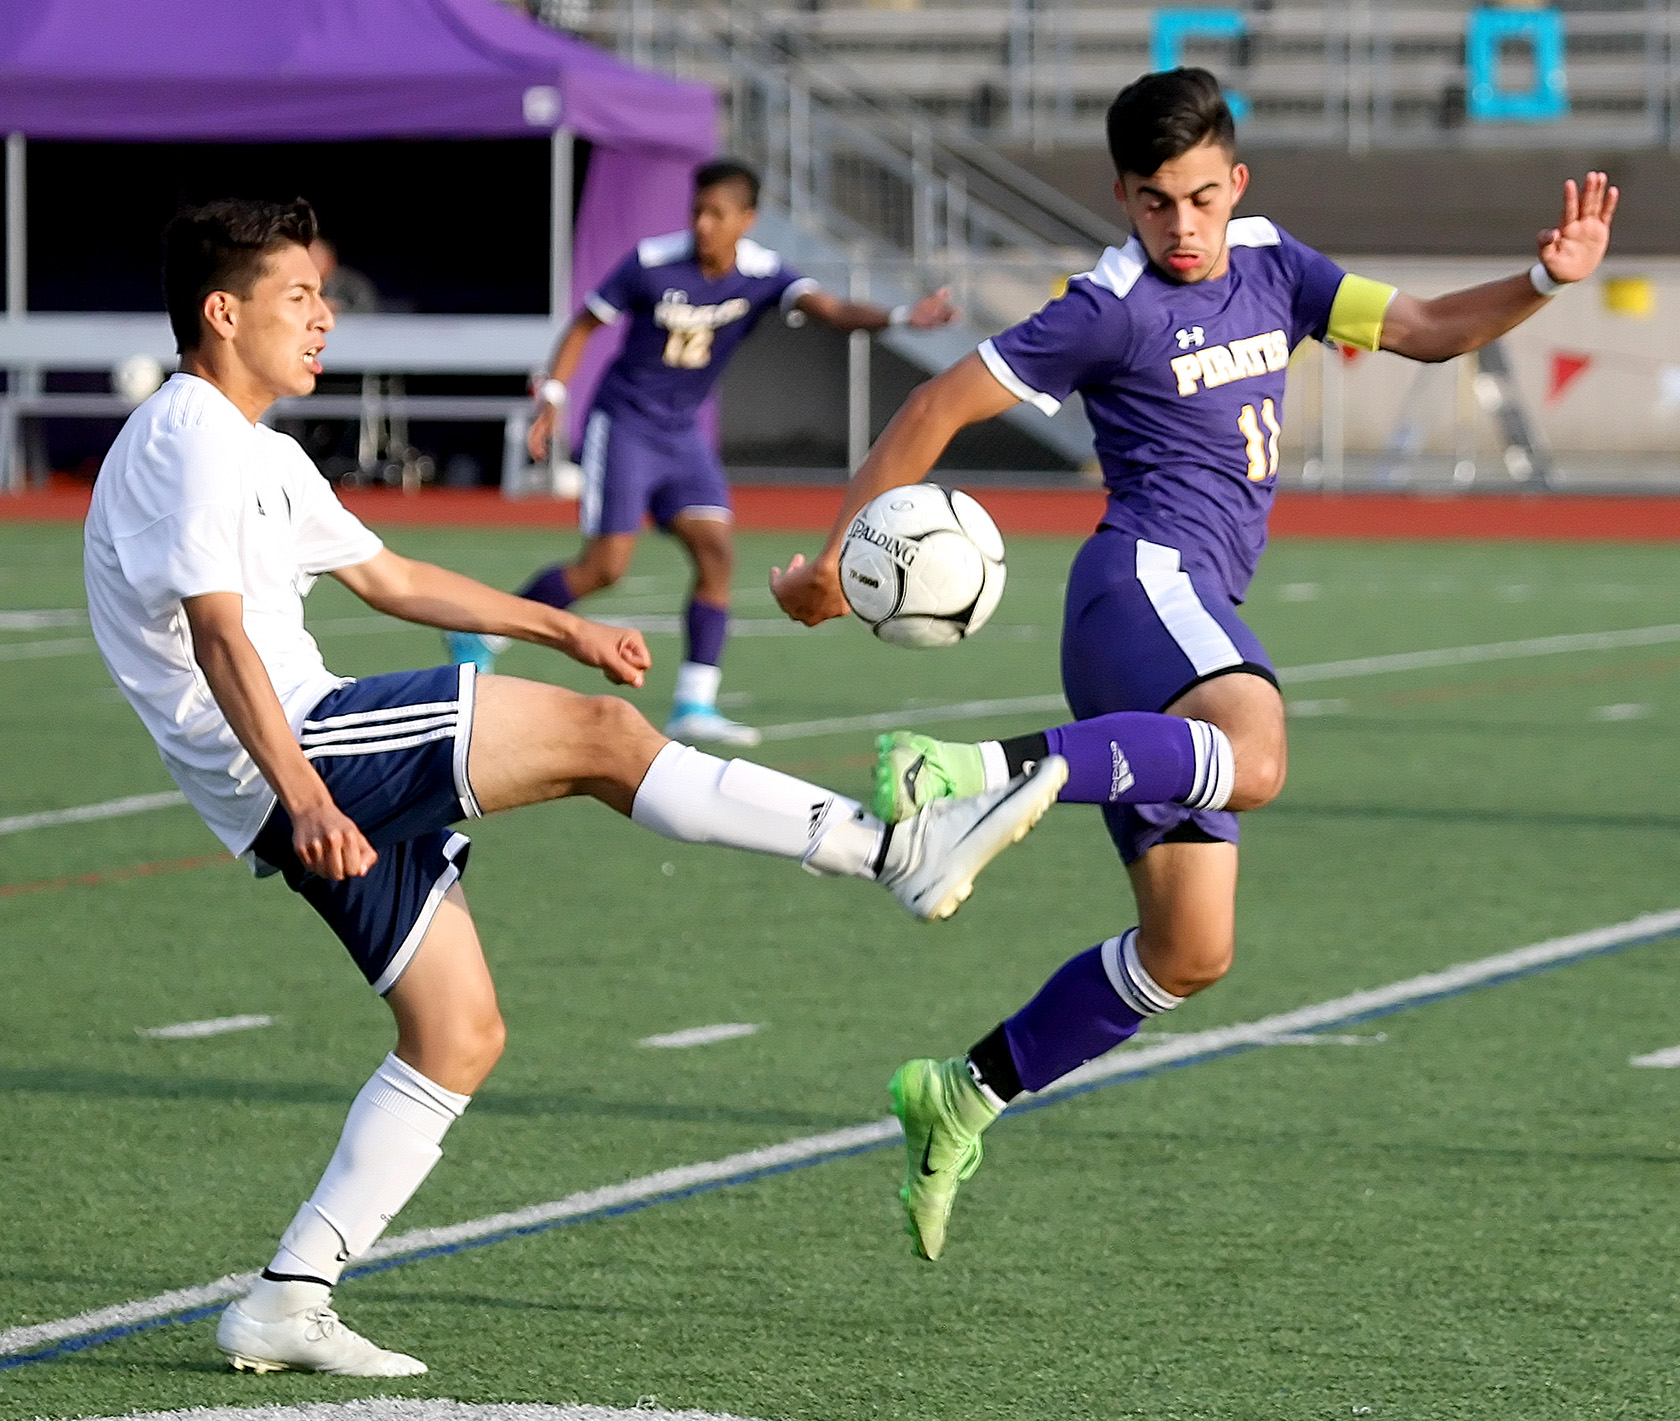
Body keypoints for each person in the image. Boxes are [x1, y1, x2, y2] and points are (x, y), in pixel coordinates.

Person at [82, 197, 1065, 1374]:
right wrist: (303, 791)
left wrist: (560, 626)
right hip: (299, 747)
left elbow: (390, 577)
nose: (325, 318)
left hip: (295, 768)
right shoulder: (188, 433)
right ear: (221, 310)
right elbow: (222, 638)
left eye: (325, 295)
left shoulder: (259, 449)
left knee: (457, 1032)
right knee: (605, 740)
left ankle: (289, 1296)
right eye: (300, 297)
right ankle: (893, 851)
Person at [771, 68, 1618, 1262]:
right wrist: (832, 558)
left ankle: (963, 1091)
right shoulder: (1105, 305)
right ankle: (965, 771)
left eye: (1203, 198)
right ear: (1122, 194)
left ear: (1239, 185)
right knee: (1259, 755)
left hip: (1178, 617)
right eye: (1157, 202)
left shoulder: (1278, 261)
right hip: (1138, 590)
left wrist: (1544, 281)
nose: (1184, 225)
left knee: (1189, 950)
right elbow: (934, 411)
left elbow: (1426, 331)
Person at [446, 157, 957, 747]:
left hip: (684, 436)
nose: (704, 224)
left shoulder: (763, 273)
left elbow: (833, 312)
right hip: (627, 425)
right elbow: (585, 325)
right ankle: (484, 632)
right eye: (697, 211)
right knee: (605, 568)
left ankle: (694, 703)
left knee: (715, 551)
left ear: (747, 219)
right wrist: (554, 395)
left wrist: (901, 317)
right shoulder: (651, 263)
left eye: (717, 214)